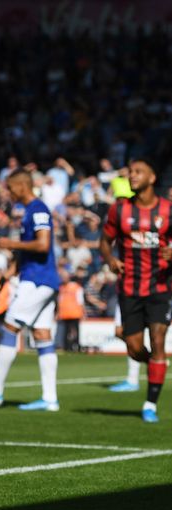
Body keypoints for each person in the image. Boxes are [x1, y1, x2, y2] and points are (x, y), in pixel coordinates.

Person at [0, 170, 61, 412]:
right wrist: (7, 276)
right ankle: (50, 399)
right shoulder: (29, 211)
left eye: (10, 188)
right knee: (42, 335)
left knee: (9, 327)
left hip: (37, 280)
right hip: (42, 279)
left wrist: (11, 243)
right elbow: (28, 252)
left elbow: (43, 244)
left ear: (21, 186)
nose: (8, 193)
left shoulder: (38, 210)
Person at [100, 159, 172, 423]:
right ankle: (157, 364)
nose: (132, 176)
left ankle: (150, 404)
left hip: (160, 287)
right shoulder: (119, 209)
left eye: (138, 172)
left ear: (152, 178)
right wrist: (110, 259)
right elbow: (104, 241)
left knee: (158, 339)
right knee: (133, 347)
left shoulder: (168, 209)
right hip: (130, 287)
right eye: (130, 172)